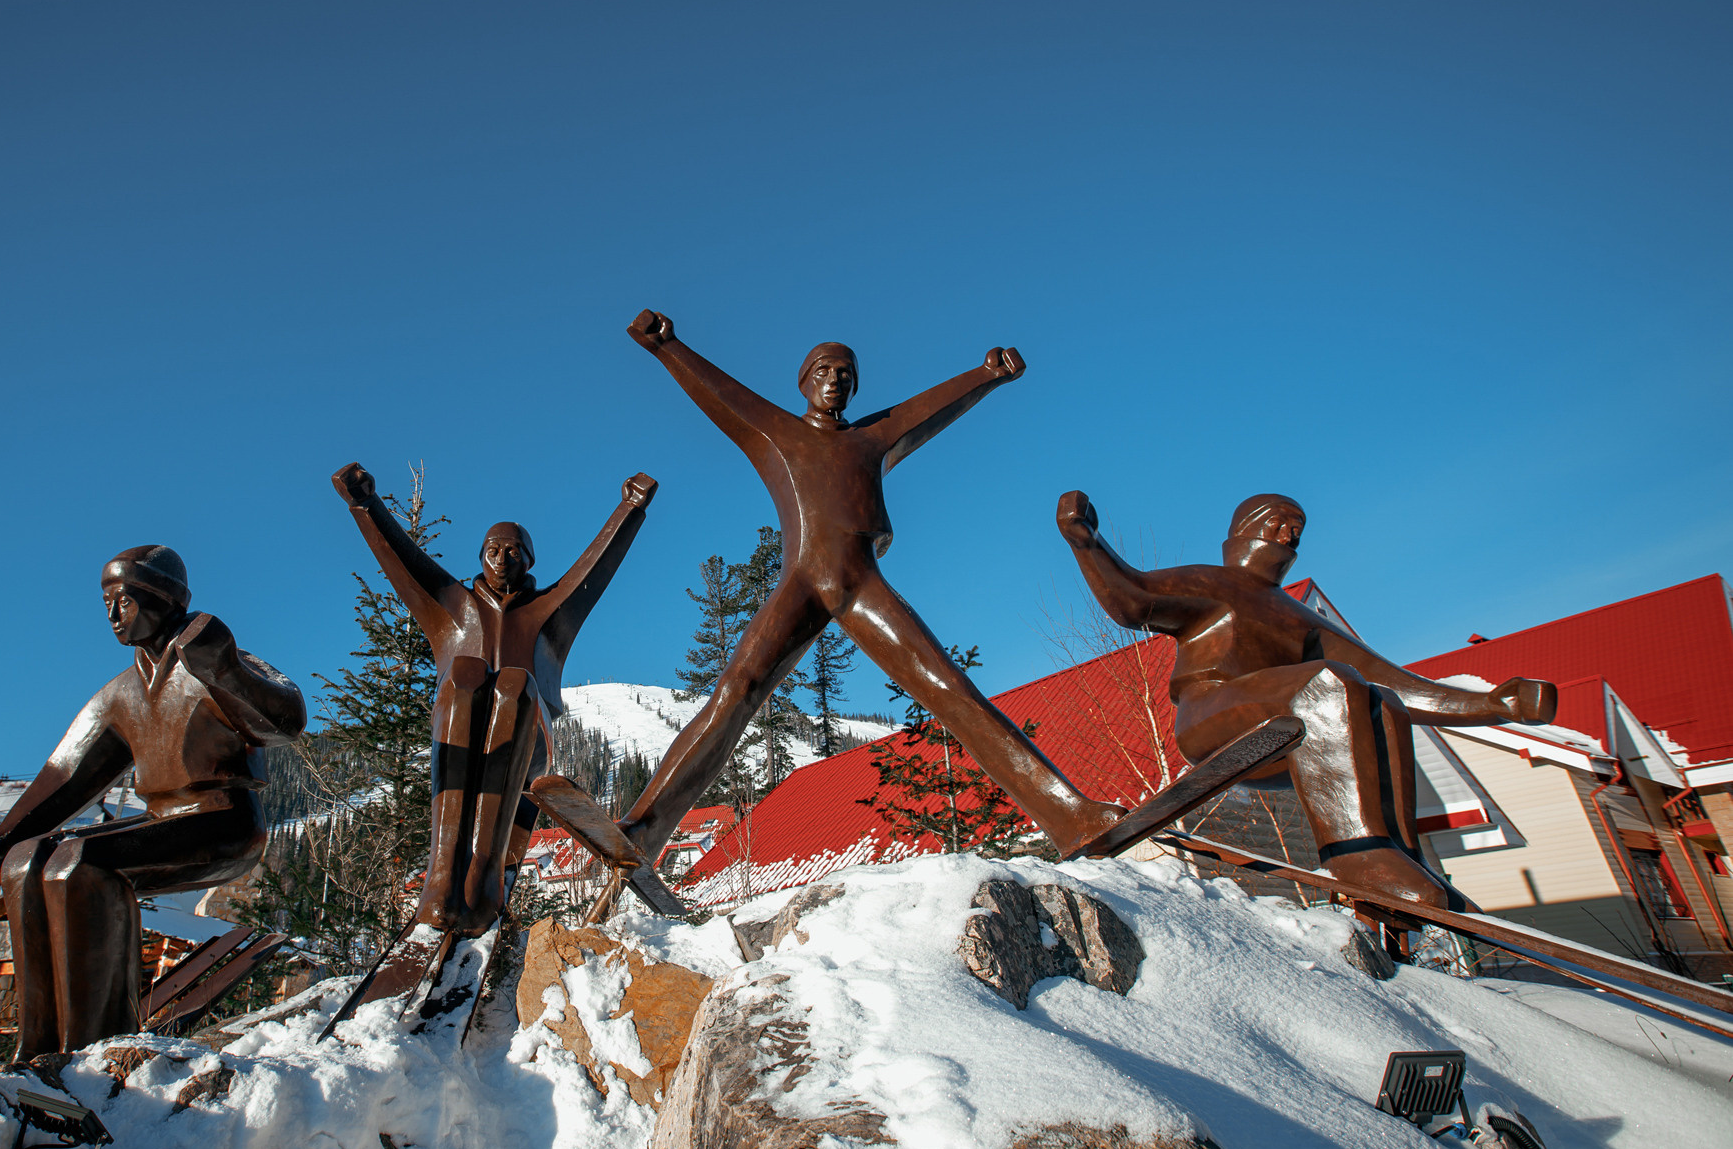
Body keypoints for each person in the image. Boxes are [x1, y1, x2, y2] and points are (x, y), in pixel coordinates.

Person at [618, 311, 1127, 863]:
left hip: (861, 584)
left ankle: (1070, 816)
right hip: (803, 582)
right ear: (803, 381)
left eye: (846, 373)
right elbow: (722, 393)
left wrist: (987, 375)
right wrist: (667, 347)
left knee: (951, 688)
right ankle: (643, 830)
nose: (835, 380)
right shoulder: (778, 433)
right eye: (823, 370)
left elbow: (927, 410)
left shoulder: (871, 438)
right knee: (736, 692)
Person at [1057, 489, 1557, 907]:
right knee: (1326, 680)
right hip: (1211, 712)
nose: (1288, 536)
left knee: (1382, 703)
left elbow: (1391, 680)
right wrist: (1087, 543)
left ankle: (1403, 857)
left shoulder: (1296, 615)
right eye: (1278, 523)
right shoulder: (1213, 583)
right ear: (1245, 529)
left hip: (1288, 731)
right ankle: (1355, 853)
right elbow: (1134, 599)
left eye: (1296, 528)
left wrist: (1494, 705)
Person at [0, 545, 305, 1059]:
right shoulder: (121, 693)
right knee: (26, 862)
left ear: (164, 598)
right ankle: (39, 1046)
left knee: (82, 864)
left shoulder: (209, 657)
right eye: (106, 603)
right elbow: (66, 774)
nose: (113, 614)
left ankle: (97, 1045)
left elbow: (286, 721)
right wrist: (1, 844)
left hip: (224, 822)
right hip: (161, 821)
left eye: (123, 599)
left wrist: (226, 669)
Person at [332, 464, 656, 935]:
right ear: (481, 555)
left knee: (514, 685)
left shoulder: (549, 610)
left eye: (512, 550)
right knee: (464, 675)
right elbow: (403, 561)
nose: (501, 558)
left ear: (529, 559)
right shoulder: (452, 608)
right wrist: (364, 503)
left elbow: (595, 566)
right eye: (492, 550)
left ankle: (484, 872)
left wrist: (630, 508)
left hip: (526, 737)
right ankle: (444, 870)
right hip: (460, 728)